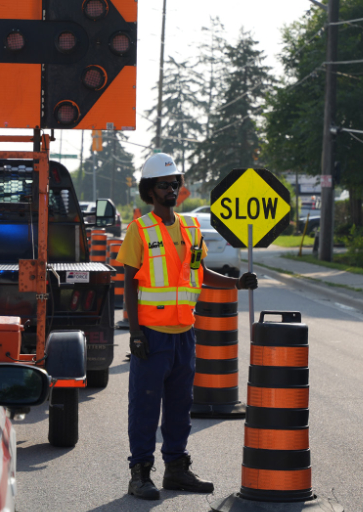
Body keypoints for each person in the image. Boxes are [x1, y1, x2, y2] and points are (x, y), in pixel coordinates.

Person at [116, 153, 257, 501]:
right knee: (145, 407)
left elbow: (200, 273)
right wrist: (134, 334)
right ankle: (140, 474)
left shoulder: (192, 228)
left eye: (175, 184)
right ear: (150, 190)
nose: (172, 189)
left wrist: (235, 284)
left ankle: (176, 470)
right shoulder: (140, 229)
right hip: (151, 336)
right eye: (164, 184)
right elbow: (130, 285)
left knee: (180, 407)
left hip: (184, 335)